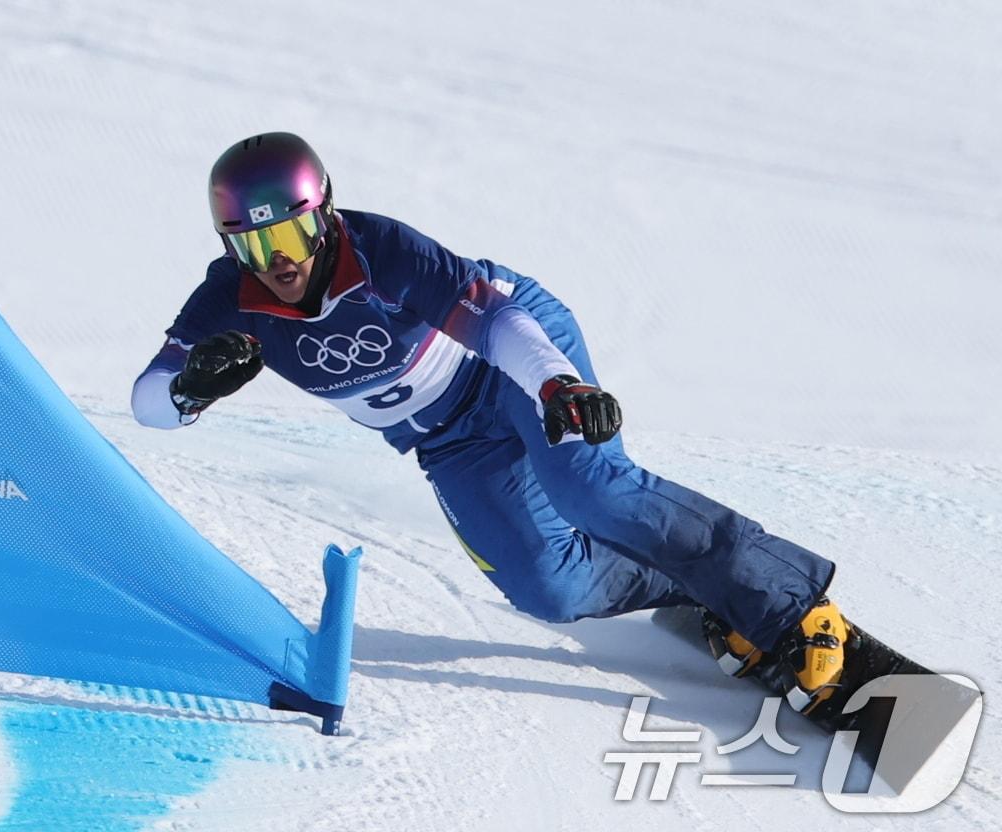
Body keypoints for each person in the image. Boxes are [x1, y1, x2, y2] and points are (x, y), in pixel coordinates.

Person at [132, 132, 849, 714]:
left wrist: (555, 382)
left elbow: (498, 321)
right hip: (448, 438)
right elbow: (148, 400)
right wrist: (190, 389)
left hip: (512, 367)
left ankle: (791, 604)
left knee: (592, 493)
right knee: (551, 590)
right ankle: (704, 587)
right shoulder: (229, 299)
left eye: (291, 236)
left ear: (324, 215)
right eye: (256, 247)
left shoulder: (382, 252)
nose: (279, 263)